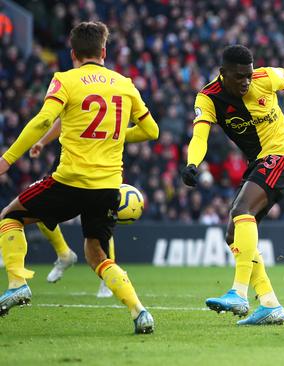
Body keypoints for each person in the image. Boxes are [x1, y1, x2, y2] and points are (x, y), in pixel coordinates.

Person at [0, 21, 159, 333]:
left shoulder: (65, 80)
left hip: (70, 181)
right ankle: (139, 311)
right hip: (108, 186)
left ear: (72, 53)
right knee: (96, 252)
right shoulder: (124, 83)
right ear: (103, 51)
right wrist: (115, 136)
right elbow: (151, 131)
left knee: (10, 216)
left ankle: (17, 282)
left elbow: (44, 119)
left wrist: (7, 159)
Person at [182, 44, 284, 325]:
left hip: (283, 156)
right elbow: (199, 136)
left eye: (249, 75)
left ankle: (238, 293)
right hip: (259, 162)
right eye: (239, 76)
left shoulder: (264, 78)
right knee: (232, 235)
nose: (246, 81)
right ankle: (269, 303)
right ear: (222, 73)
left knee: (241, 210)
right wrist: (193, 164)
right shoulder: (208, 98)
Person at [29, 119, 114, 298]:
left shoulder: (113, 95)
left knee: (101, 220)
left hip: (101, 160)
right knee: (37, 205)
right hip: (69, 158)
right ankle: (64, 254)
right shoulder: (75, 92)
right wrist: (42, 142)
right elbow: (63, 120)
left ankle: (108, 278)